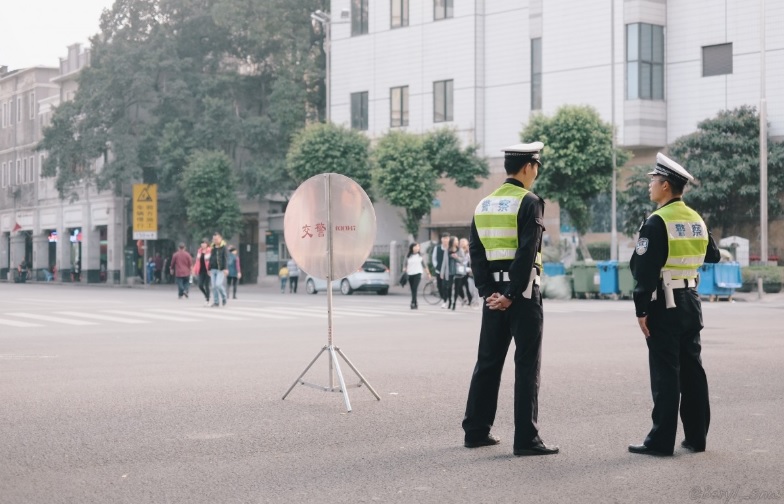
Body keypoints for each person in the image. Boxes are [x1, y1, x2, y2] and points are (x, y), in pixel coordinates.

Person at [462, 141, 559, 457]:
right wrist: (512, 294)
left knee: (488, 361)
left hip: (493, 297)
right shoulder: (529, 202)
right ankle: (526, 440)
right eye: (537, 168)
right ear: (530, 167)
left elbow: (476, 253)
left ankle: (476, 432)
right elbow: (527, 251)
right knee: (527, 365)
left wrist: (490, 292)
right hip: (523, 295)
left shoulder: (484, 204)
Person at [628, 153, 721, 457]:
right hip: (691, 301)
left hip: (663, 304)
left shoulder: (657, 222)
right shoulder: (696, 219)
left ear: (665, 185)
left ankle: (660, 442)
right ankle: (697, 438)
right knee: (692, 370)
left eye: (653, 181)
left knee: (666, 373)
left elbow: (643, 270)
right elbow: (713, 256)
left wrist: (641, 310)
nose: (649, 186)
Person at [403, 243, 430, 309]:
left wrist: (428, 273)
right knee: (412, 289)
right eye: (415, 247)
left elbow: (424, 265)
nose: (417, 248)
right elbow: (405, 264)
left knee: (414, 288)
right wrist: (404, 269)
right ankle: (415, 302)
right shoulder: (408, 256)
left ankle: (412, 302)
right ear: (412, 248)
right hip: (410, 274)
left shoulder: (420, 256)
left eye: (418, 247)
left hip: (418, 273)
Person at [209, 232, 229, 307]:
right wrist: (209, 269)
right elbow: (211, 258)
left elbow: (226, 258)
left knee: (218, 284)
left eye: (216, 239)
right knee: (213, 286)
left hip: (221, 269)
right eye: (214, 239)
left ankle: (224, 297)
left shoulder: (224, 247)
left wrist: (226, 268)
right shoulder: (213, 247)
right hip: (213, 269)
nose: (215, 240)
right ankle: (216, 302)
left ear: (220, 238)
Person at [431, 232, 450, 308]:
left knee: (444, 286)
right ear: (441, 239)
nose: (445, 240)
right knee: (439, 286)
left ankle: (445, 301)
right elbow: (434, 258)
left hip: (448, 271)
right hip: (438, 271)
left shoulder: (450, 248)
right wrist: (436, 266)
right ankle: (444, 299)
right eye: (444, 238)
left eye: (447, 238)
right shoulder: (437, 248)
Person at [193, 239, 212, 306]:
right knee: (200, 285)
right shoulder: (199, 251)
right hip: (201, 270)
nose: (203, 244)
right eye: (202, 243)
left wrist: (210, 269)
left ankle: (207, 300)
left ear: (207, 244)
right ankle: (206, 296)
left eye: (204, 243)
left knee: (207, 285)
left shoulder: (210, 250)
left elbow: (211, 260)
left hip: (208, 271)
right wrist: (195, 270)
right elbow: (197, 261)